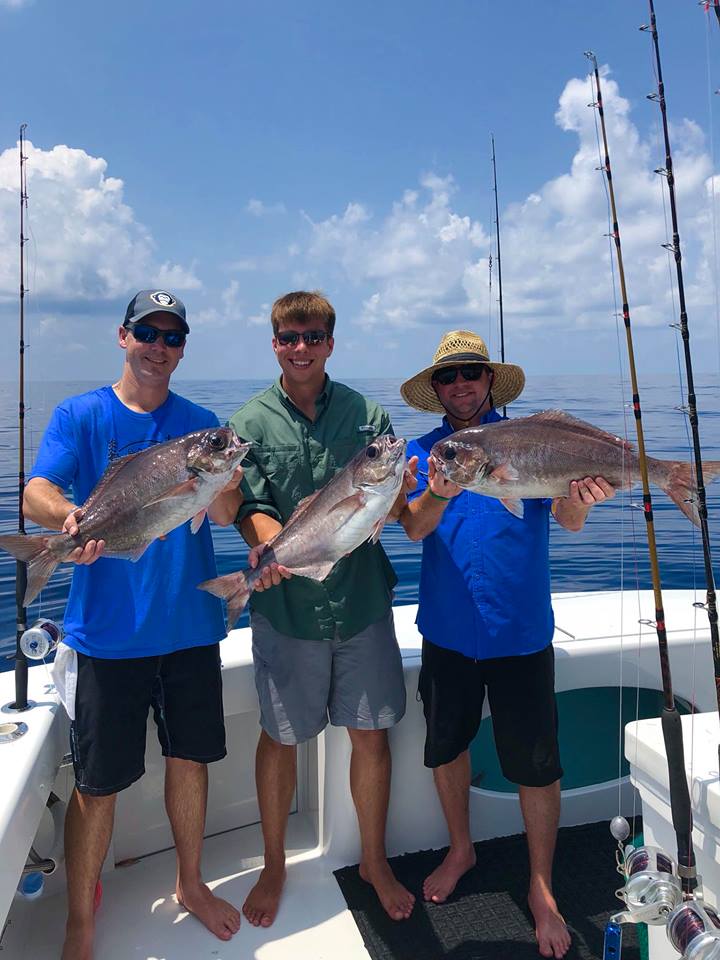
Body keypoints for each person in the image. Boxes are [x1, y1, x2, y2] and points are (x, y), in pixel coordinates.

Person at [23, 290, 244, 960]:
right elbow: (37, 489)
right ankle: (81, 922)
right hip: (108, 634)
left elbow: (228, 512)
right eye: (147, 332)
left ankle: (190, 883)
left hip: (189, 629)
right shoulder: (81, 414)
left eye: (172, 337)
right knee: (96, 785)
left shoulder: (201, 425)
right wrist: (66, 519)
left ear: (182, 349)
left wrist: (222, 477)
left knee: (190, 763)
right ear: (123, 337)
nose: (159, 347)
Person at [398, 330, 614, 960]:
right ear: (435, 389)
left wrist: (583, 501)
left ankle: (541, 885)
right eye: (448, 376)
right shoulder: (422, 452)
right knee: (446, 748)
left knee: (536, 764)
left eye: (471, 373)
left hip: (520, 632)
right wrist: (440, 487)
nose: (461, 384)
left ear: (489, 380)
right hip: (446, 630)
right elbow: (412, 528)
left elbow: (568, 521)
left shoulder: (532, 442)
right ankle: (461, 848)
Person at [229, 290, 415, 928]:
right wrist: (267, 548)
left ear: (331, 343)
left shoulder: (369, 417)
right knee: (280, 738)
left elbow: (385, 512)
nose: (301, 347)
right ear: (274, 343)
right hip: (287, 610)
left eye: (313, 336)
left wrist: (403, 493)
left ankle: (372, 859)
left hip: (361, 600)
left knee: (371, 733)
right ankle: (275, 864)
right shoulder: (249, 423)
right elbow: (250, 506)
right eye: (290, 337)